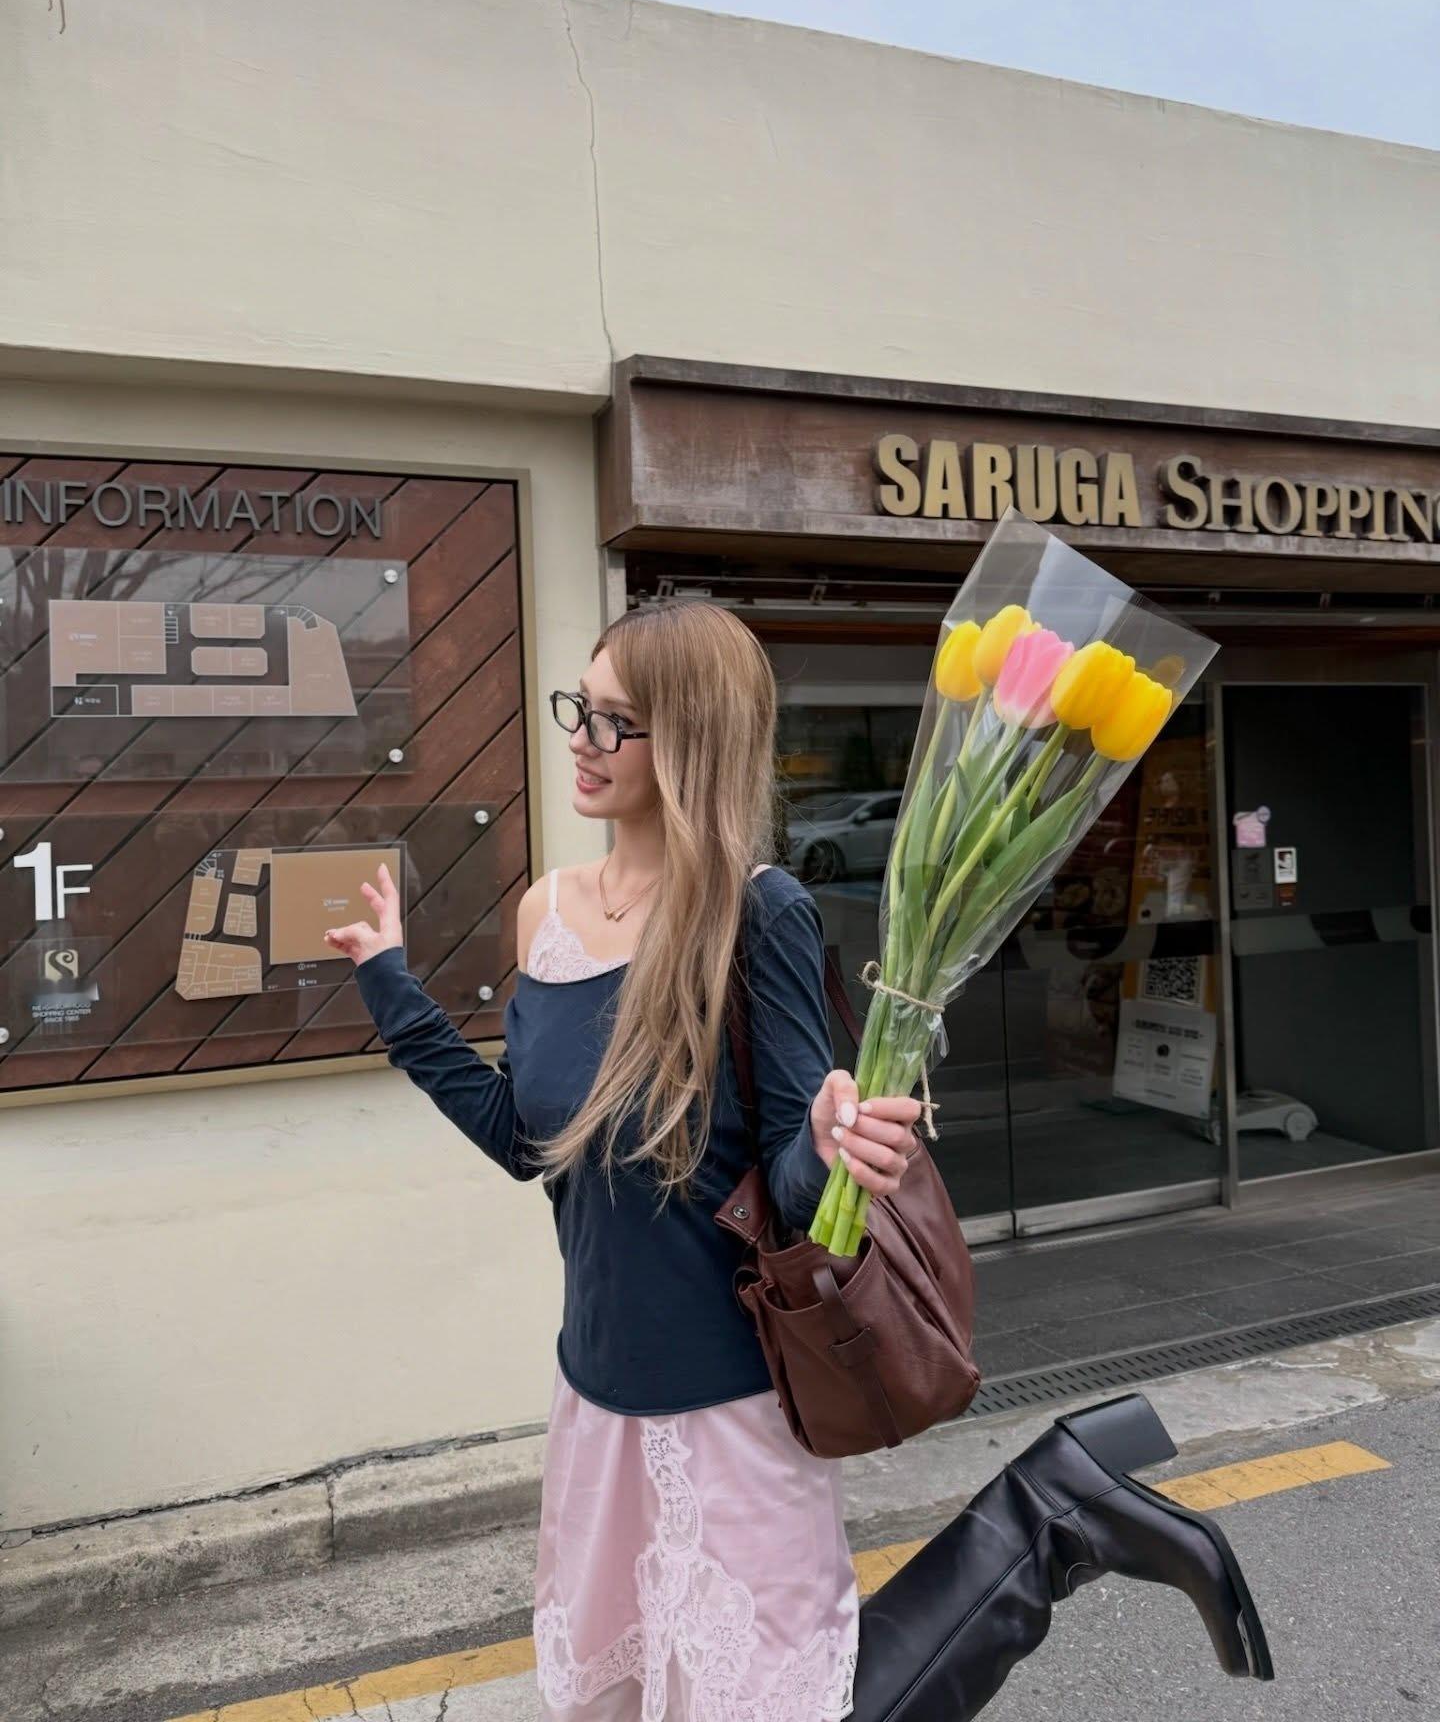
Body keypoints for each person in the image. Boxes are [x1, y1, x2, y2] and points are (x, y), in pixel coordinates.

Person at [328, 599, 1274, 1722]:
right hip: (593, 1401)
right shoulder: (548, 913)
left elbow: (785, 1185)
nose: (582, 737)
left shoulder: (757, 914)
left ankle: (1045, 1526)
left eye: (618, 721)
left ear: (694, 739)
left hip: (731, 1409)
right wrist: (391, 986)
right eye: (580, 706)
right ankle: (1056, 1513)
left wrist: (830, 1146)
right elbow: (524, 1143)